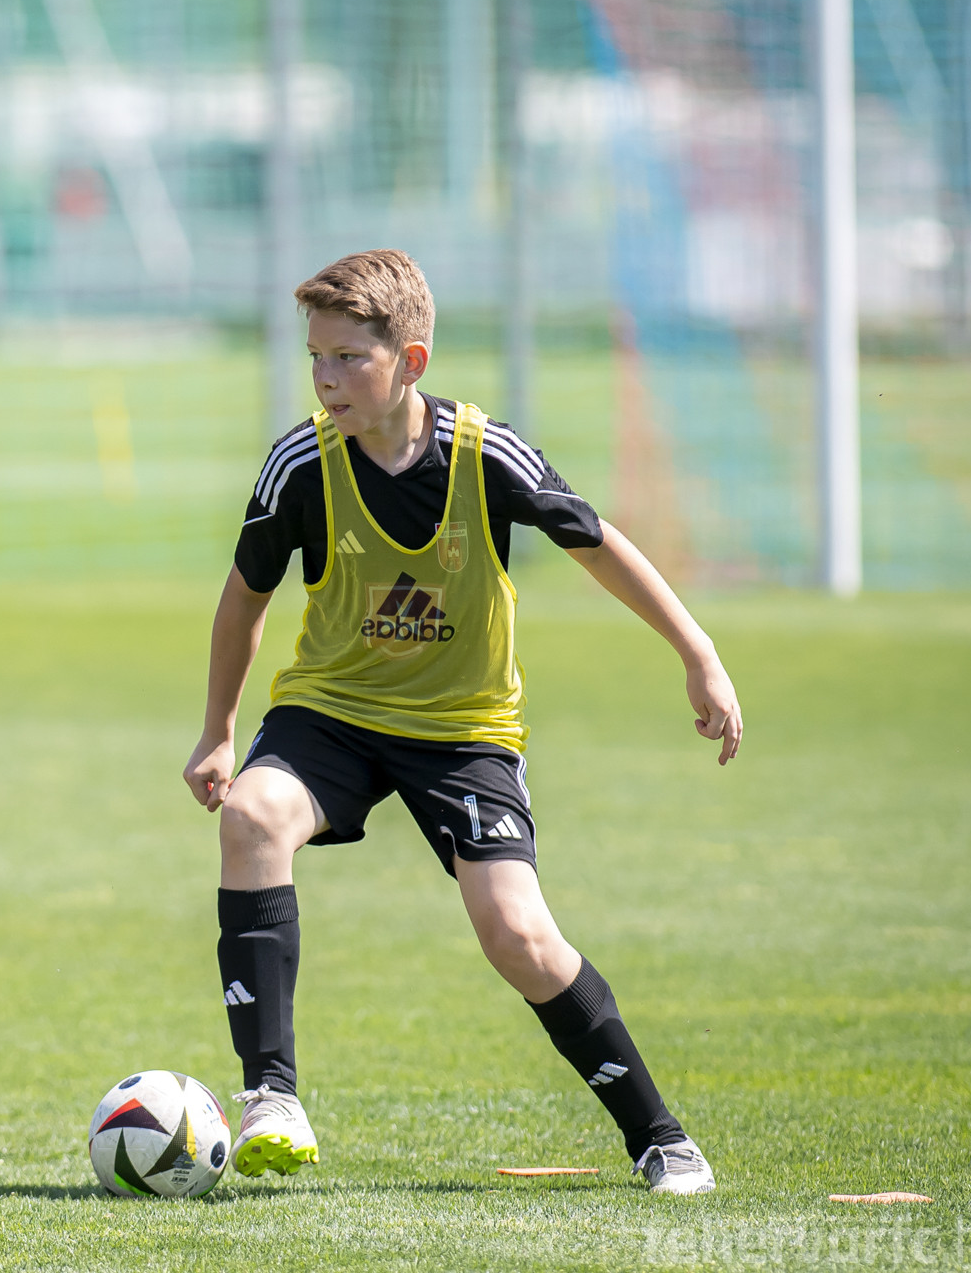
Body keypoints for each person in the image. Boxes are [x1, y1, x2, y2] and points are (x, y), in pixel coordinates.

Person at [182, 250, 737, 1195]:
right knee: (251, 817)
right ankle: (271, 1096)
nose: (325, 378)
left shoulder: (486, 455)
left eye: (349, 357)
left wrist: (699, 654)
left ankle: (660, 1137)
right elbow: (244, 599)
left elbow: (597, 544)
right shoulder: (300, 464)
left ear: (412, 361)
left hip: (464, 730)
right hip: (333, 712)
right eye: (315, 357)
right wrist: (218, 731)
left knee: (517, 934)